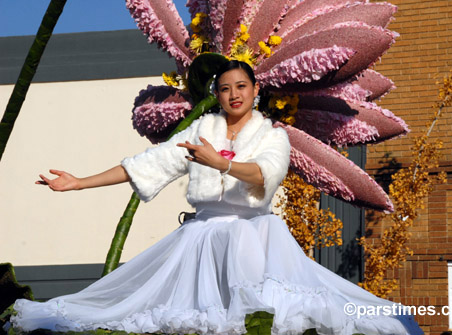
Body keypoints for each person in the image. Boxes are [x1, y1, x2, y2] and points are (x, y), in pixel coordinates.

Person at [10, 61, 422, 335]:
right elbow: (148, 163)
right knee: (180, 319)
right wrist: (80, 182)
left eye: (241, 86)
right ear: (218, 95)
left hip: (253, 237)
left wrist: (219, 163)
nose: (233, 95)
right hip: (200, 238)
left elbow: (264, 174)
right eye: (225, 89)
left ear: (255, 89)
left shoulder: (272, 135)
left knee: (263, 317)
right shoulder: (201, 131)